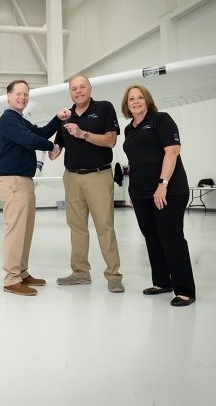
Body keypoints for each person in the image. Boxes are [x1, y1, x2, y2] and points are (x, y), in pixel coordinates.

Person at [121, 84, 196, 307]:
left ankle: (185, 290)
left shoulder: (161, 119)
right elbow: (135, 161)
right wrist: (133, 192)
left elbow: (172, 151)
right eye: (131, 99)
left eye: (139, 98)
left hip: (168, 189)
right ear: (127, 104)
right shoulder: (129, 129)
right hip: (141, 192)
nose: (135, 102)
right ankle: (162, 282)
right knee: (152, 237)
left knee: (170, 235)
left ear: (147, 100)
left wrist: (162, 184)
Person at [49, 74, 125, 293]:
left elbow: (110, 141)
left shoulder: (104, 108)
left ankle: (113, 275)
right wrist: (47, 149)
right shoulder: (66, 116)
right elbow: (57, 148)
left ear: (90, 89)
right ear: (70, 93)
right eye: (74, 89)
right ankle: (80, 273)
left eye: (82, 87)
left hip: (98, 176)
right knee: (77, 227)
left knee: (104, 226)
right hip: (71, 177)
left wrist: (83, 134)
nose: (78, 91)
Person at [0, 79, 62, 296]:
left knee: (25, 231)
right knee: (15, 231)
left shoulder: (20, 119)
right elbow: (30, 140)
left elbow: (40, 133)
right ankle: (11, 279)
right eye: (19, 94)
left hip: (24, 181)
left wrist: (58, 120)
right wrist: (53, 146)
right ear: (8, 96)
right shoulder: (8, 119)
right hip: (12, 181)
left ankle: (22, 273)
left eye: (26, 94)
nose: (23, 97)